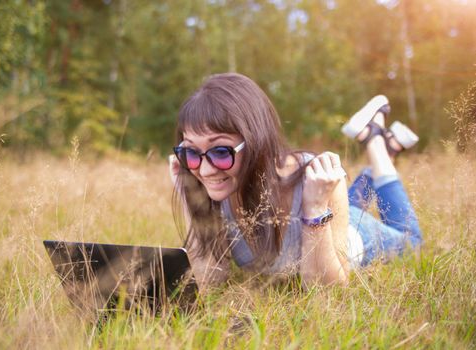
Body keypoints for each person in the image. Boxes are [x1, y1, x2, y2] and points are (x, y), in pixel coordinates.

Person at [169, 73, 422, 291]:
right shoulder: (210, 184)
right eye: (190, 152)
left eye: (221, 152)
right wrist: (189, 195)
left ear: (256, 141)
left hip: (353, 234)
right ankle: (387, 147)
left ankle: (376, 142)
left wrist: (315, 209)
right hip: (331, 205)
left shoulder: (308, 178)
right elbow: (212, 277)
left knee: (412, 241)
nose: (204, 169)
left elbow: (324, 289)